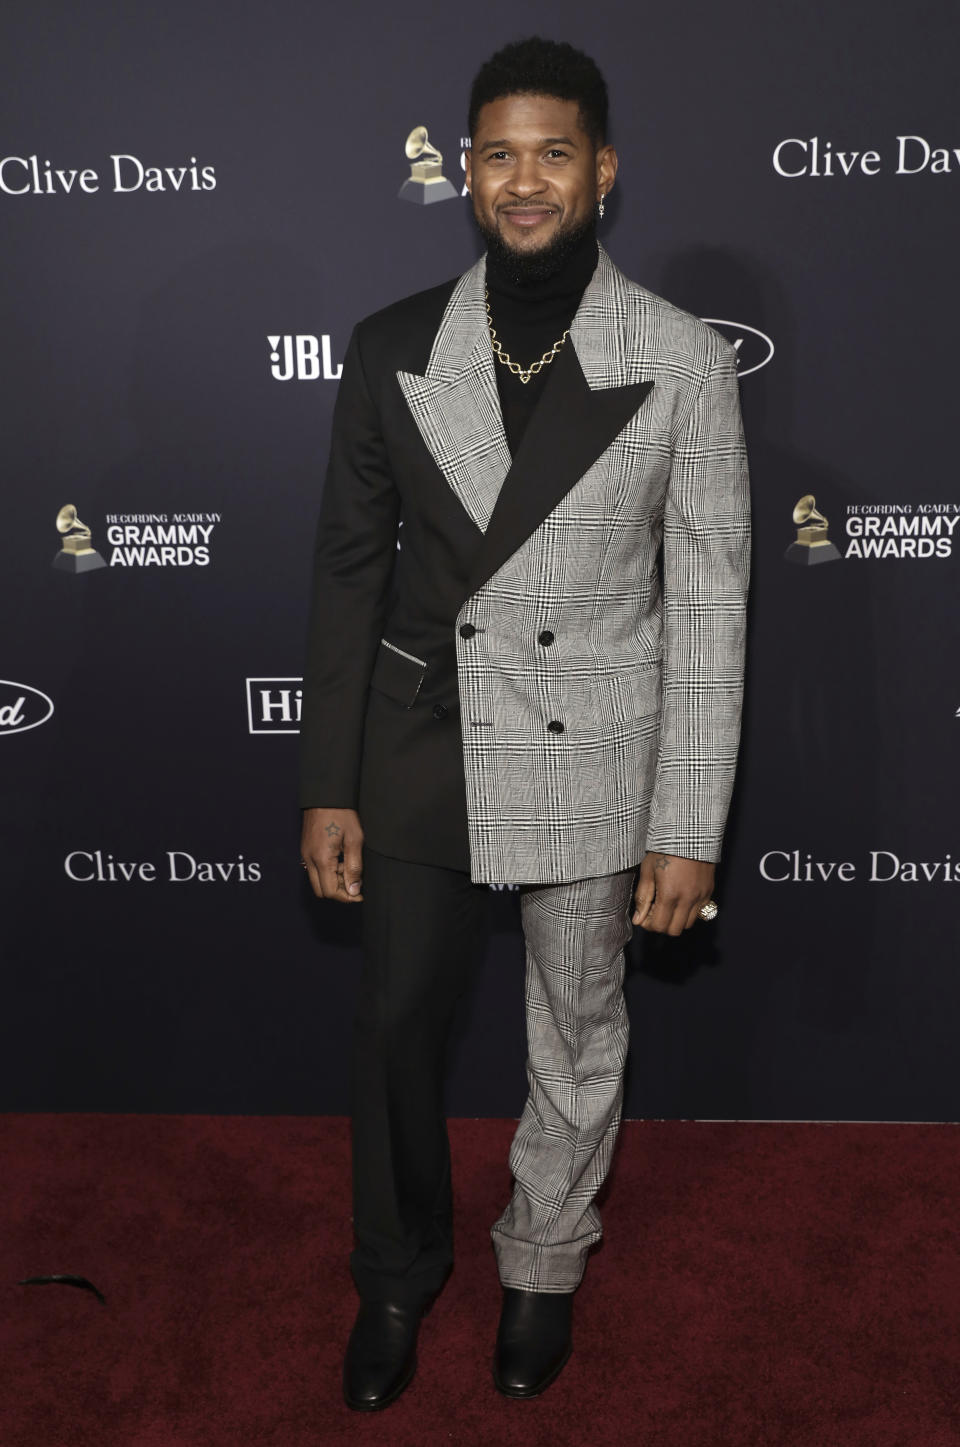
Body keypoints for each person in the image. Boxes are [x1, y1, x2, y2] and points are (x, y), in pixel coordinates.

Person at [299, 35, 750, 1411]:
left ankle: (544, 1261)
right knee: (394, 1030)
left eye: (554, 151)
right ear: (467, 174)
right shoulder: (393, 348)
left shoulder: (677, 359)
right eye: (498, 153)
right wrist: (332, 780)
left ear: (603, 171)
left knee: (577, 1023)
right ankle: (396, 1271)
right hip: (424, 733)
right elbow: (345, 569)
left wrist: (688, 824)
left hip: (596, 740)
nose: (525, 179)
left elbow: (713, 611)